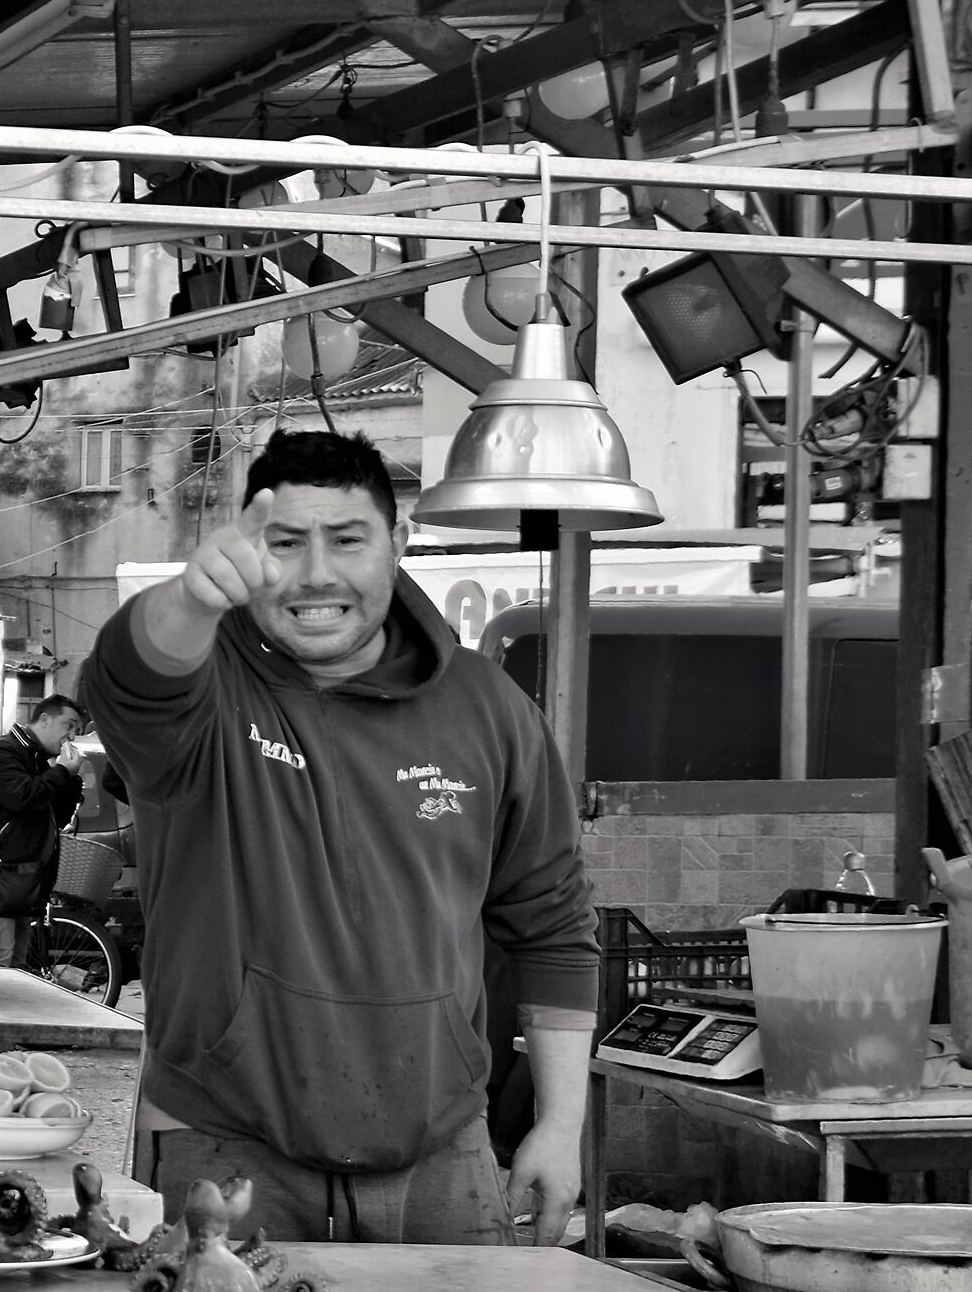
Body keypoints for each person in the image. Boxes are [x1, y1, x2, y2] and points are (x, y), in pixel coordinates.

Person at [81, 429, 599, 1249]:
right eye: (285, 543)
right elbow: (127, 680)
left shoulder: (490, 709)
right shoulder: (203, 693)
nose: (316, 574)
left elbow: (553, 924)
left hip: (443, 1151)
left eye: (348, 540)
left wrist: (561, 1122)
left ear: (398, 541)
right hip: (223, 1140)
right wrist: (190, 600)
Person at [0, 694, 83, 968]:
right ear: (45, 720)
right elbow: (22, 797)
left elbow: (56, 818)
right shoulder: (3, 752)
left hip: (20, 875)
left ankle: (0, 998)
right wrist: (61, 772)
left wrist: (70, 779)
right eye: (69, 725)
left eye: (76, 729)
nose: (72, 735)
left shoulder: (38, 760)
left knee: (16, 965)